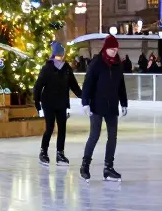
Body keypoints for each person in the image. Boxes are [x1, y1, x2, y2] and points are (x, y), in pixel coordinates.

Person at [79, 34, 128, 182]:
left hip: (112, 105)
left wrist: (124, 103)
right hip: (96, 104)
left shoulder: (118, 64)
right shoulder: (97, 63)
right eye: (111, 49)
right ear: (105, 48)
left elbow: (121, 85)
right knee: (95, 135)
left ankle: (108, 168)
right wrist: (85, 102)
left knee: (112, 136)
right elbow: (88, 83)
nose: (114, 51)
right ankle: (85, 166)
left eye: (116, 49)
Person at [34, 42, 80, 166]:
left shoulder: (67, 69)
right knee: (50, 127)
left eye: (61, 55)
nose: (60, 58)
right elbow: (38, 87)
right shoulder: (47, 68)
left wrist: (84, 97)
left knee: (62, 129)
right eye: (57, 55)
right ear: (53, 55)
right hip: (48, 103)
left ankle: (60, 153)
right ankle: (43, 152)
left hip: (62, 103)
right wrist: (37, 105)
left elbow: (74, 86)